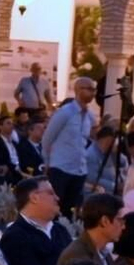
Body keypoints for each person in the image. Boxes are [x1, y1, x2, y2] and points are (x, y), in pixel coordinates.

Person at [40, 76, 96, 215]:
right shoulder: (65, 112)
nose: (92, 93)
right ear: (78, 90)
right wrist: (48, 162)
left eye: (93, 89)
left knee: (71, 211)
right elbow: (48, 138)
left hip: (79, 170)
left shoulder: (89, 116)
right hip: (61, 168)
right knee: (56, 208)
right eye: (89, 89)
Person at [0, 176, 70, 265]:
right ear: (34, 197)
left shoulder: (60, 230)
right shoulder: (15, 237)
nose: (57, 198)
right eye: (51, 193)